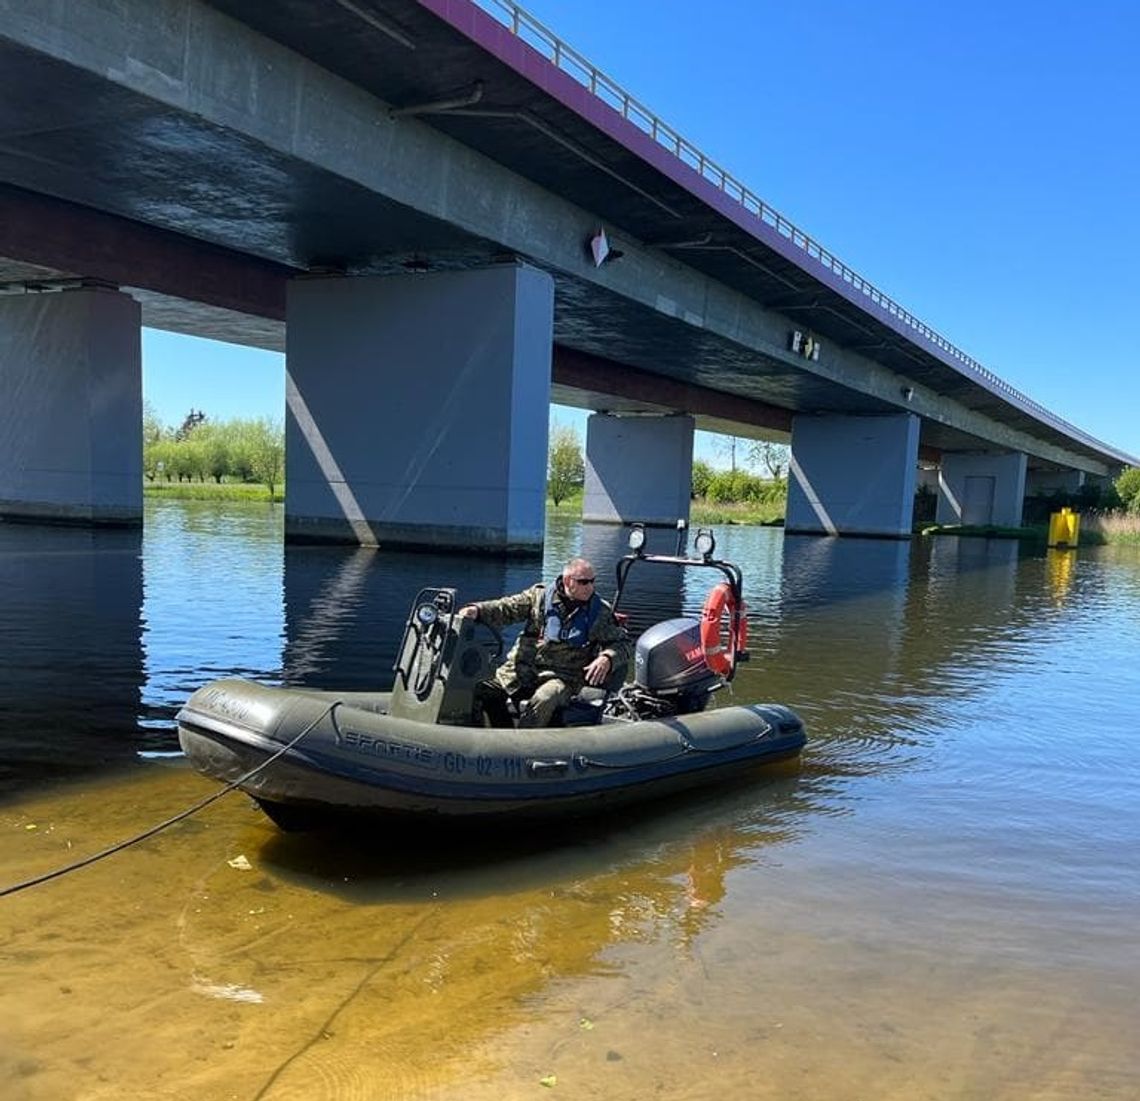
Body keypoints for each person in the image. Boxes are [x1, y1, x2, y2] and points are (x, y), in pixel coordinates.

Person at [460, 557, 631, 728]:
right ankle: (495, 733)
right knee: (480, 690)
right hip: (519, 671)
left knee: (544, 699)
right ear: (567, 581)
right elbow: (507, 608)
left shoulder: (600, 612)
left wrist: (607, 657)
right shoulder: (539, 597)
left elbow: (622, 643)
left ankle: (523, 745)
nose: (590, 587)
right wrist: (478, 610)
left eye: (592, 581)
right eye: (584, 582)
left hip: (562, 677)